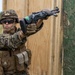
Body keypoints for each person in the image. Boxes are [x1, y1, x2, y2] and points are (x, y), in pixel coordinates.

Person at [0, 8, 59, 75]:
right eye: (4, 21)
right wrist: (23, 33)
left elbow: (34, 28)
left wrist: (41, 17)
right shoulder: (2, 38)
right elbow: (11, 41)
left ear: (15, 22)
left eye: (9, 21)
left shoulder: (20, 32)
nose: (6, 23)